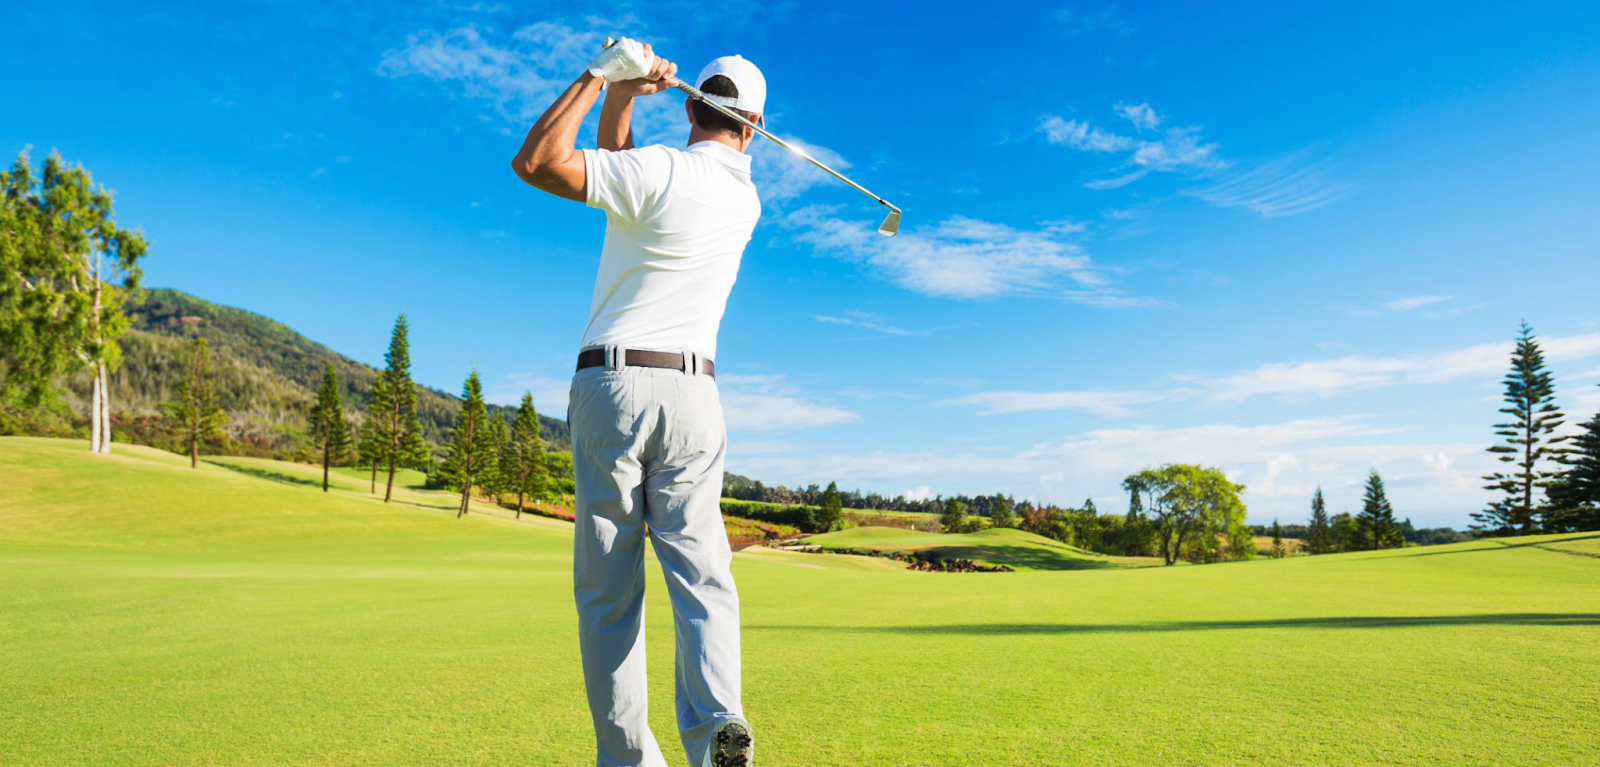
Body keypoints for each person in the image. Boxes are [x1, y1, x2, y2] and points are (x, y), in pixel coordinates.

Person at [510, 38, 764, 767]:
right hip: (695, 396)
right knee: (701, 571)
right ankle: (719, 718)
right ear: (751, 129)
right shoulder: (743, 199)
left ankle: (628, 756)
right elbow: (626, 168)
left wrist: (602, 75)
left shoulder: (656, 170)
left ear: (689, 105)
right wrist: (624, 100)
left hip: (613, 387)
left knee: (609, 592)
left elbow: (537, 164)